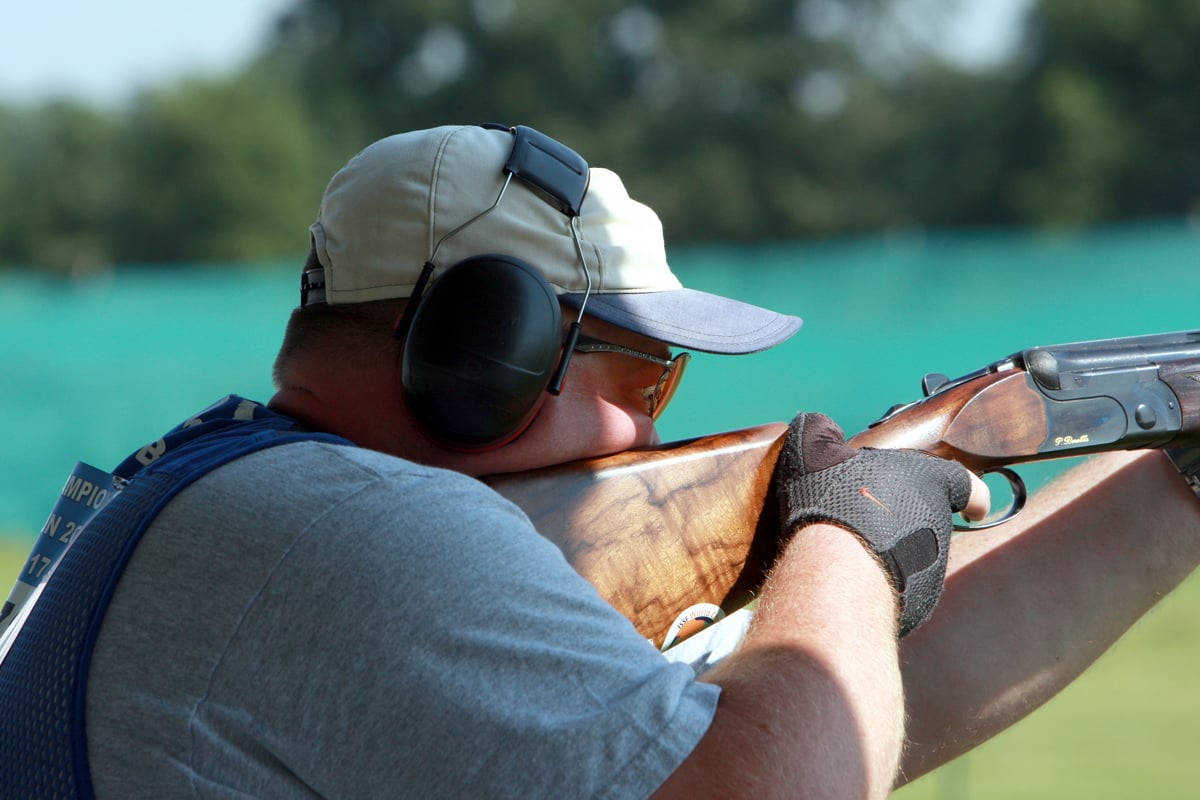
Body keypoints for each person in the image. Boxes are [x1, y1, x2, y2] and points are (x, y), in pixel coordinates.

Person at [4, 124, 1199, 800]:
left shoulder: (246, 498)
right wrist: (849, 532)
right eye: (643, 380)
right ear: (488, 352)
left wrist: (1180, 486)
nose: (652, 433)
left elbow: (843, 722)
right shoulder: (350, 529)